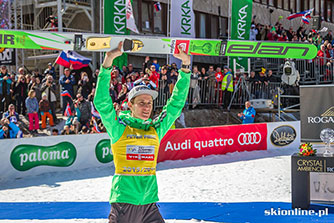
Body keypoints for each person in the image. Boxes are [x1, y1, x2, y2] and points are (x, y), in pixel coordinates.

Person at [94, 42, 190, 223]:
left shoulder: (155, 129)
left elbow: (175, 105)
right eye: (141, 103)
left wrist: (185, 67)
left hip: (149, 205)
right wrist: (108, 61)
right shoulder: (119, 128)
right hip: (124, 204)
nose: (147, 107)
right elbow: (102, 103)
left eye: (149, 103)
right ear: (130, 104)